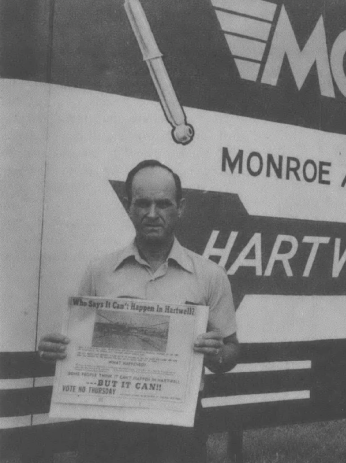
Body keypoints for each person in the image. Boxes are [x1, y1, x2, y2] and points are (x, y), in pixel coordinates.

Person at [38, 159, 240, 463]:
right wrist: (57, 350)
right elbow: (78, 346)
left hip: (179, 428)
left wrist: (217, 353)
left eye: (163, 204)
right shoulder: (99, 271)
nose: (152, 214)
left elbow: (232, 351)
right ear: (128, 205)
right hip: (107, 427)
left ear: (181, 207)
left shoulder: (210, 275)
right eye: (142, 203)